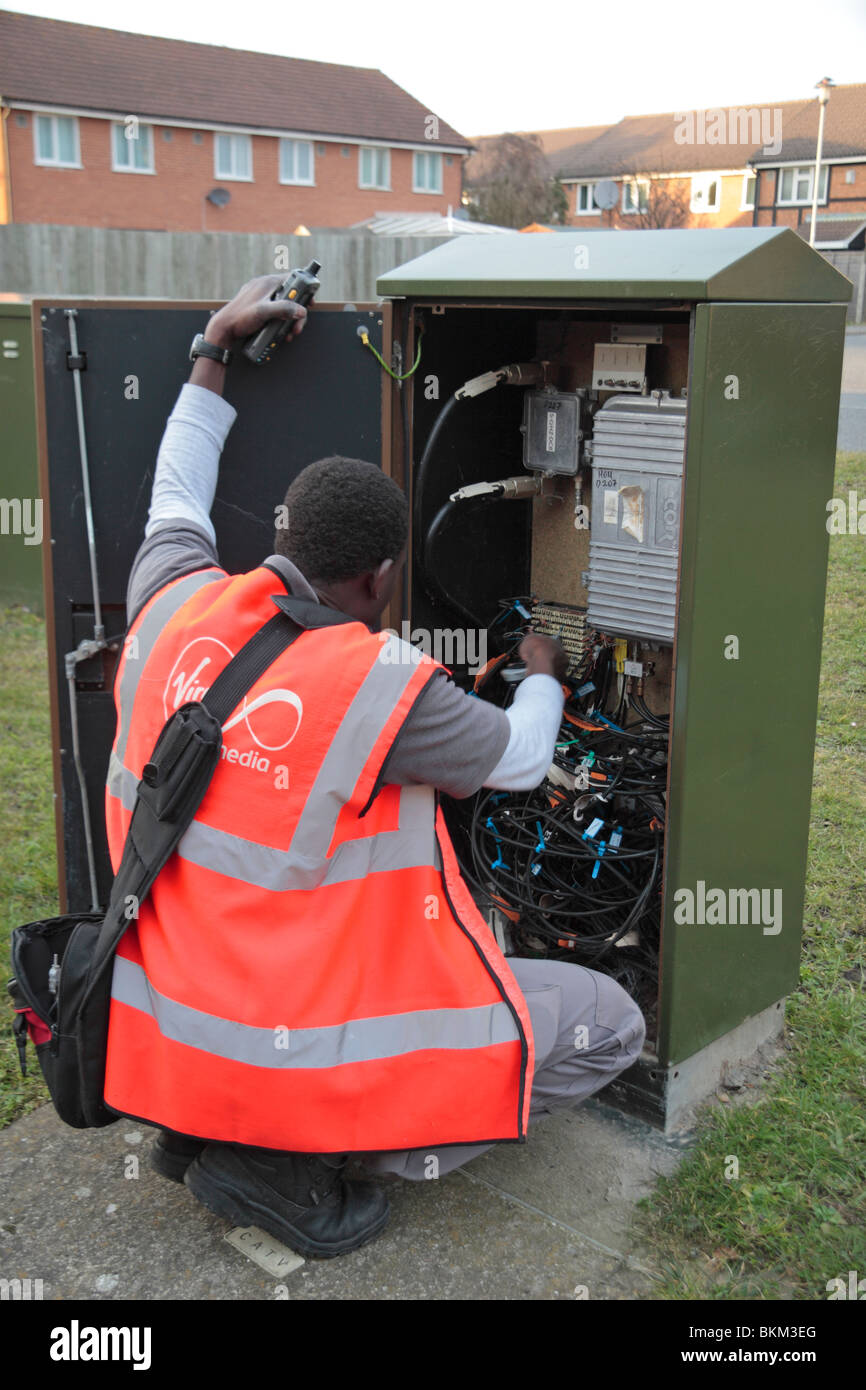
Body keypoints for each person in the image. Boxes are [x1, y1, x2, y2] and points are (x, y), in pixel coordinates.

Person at [103, 277, 646, 1259]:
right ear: (381, 577)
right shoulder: (377, 688)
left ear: (281, 537)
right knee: (607, 1021)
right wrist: (541, 675)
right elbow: (523, 760)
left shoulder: (173, 599)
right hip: (293, 1048)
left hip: (168, 1022)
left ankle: (210, 1120)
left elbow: (173, 491)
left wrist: (212, 346)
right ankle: (304, 1158)